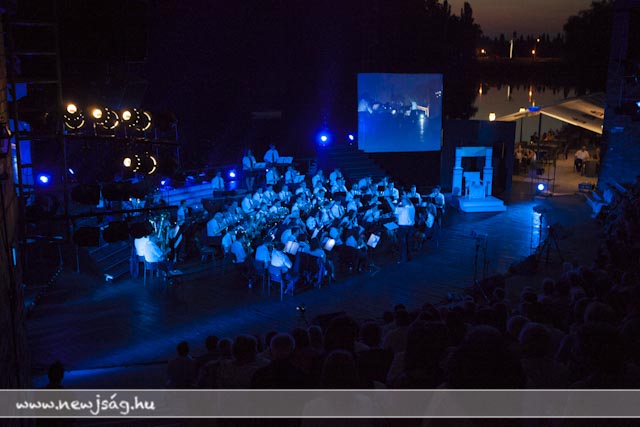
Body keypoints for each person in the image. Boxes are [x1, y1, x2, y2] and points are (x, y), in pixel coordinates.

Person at [394, 197, 415, 263]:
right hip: (410, 227)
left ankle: (402, 259)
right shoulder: (412, 207)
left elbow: (395, 215)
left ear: (405, 202)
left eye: (402, 201)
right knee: (409, 242)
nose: (402, 203)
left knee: (402, 243)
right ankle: (409, 257)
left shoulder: (401, 209)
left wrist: (397, 205)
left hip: (403, 227)